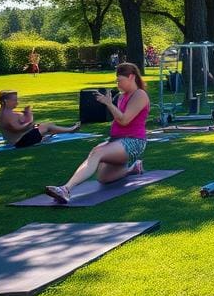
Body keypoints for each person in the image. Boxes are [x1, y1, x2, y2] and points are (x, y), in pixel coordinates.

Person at [44, 62, 149, 204]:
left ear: (131, 77)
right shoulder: (121, 96)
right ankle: (133, 168)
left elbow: (124, 120)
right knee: (103, 178)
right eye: (116, 80)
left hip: (134, 142)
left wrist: (109, 104)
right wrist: (110, 104)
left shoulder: (140, 95)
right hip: (117, 140)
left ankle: (66, 189)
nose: (117, 83)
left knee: (97, 152)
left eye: (120, 80)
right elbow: (118, 119)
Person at [0, 91, 80, 147]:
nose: (17, 102)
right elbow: (18, 129)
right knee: (48, 126)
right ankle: (71, 130)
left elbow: (17, 127)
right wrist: (30, 118)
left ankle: (44, 137)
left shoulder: (4, 113)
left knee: (44, 126)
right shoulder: (8, 115)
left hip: (18, 141)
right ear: (6, 101)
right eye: (14, 100)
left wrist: (30, 123)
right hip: (21, 142)